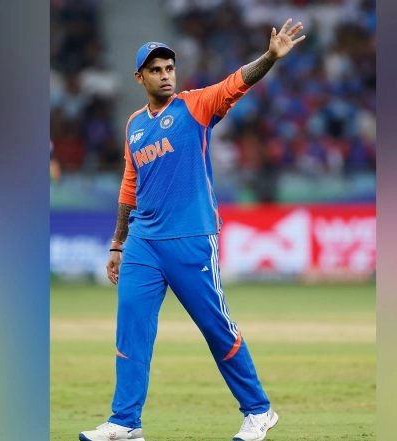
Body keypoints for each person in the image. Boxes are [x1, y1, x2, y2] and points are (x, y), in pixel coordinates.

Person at [80, 19, 305, 441]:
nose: (165, 75)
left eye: (169, 68)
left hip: (191, 238)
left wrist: (270, 58)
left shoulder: (195, 106)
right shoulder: (134, 125)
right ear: (139, 77)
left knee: (216, 328)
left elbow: (236, 83)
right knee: (132, 328)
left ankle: (259, 411)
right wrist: (118, 243)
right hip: (143, 242)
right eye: (156, 70)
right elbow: (129, 185)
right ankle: (125, 422)